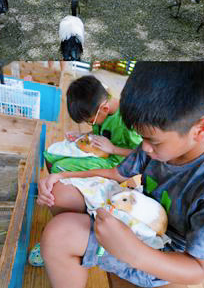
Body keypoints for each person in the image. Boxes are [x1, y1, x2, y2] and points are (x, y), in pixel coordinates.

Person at [37, 62, 204, 287]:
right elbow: (116, 173)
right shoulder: (155, 142)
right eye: (142, 138)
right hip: (134, 216)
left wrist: (133, 252)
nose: (145, 148)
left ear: (201, 129)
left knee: (57, 235)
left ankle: (74, 251)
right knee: (59, 192)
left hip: (164, 255)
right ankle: (80, 254)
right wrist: (61, 177)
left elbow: (198, 269)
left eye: (153, 140)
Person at [30, 74, 142, 267]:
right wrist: (83, 135)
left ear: (104, 109)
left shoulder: (127, 121)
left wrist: (113, 149)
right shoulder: (103, 111)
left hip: (114, 162)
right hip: (99, 152)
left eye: (90, 121)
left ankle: (68, 228)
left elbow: (140, 153)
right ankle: (65, 215)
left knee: (59, 167)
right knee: (51, 154)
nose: (92, 125)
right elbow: (100, 132)